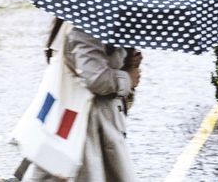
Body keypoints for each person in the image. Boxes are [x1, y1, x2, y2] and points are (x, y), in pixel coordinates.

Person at [20, 18, 142, 182]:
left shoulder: (90, 22)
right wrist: (127, 78)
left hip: (74, 117)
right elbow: (97, 79)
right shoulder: (87, 29)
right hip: (85, 122)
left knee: (54, 171)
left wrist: (129, 61)